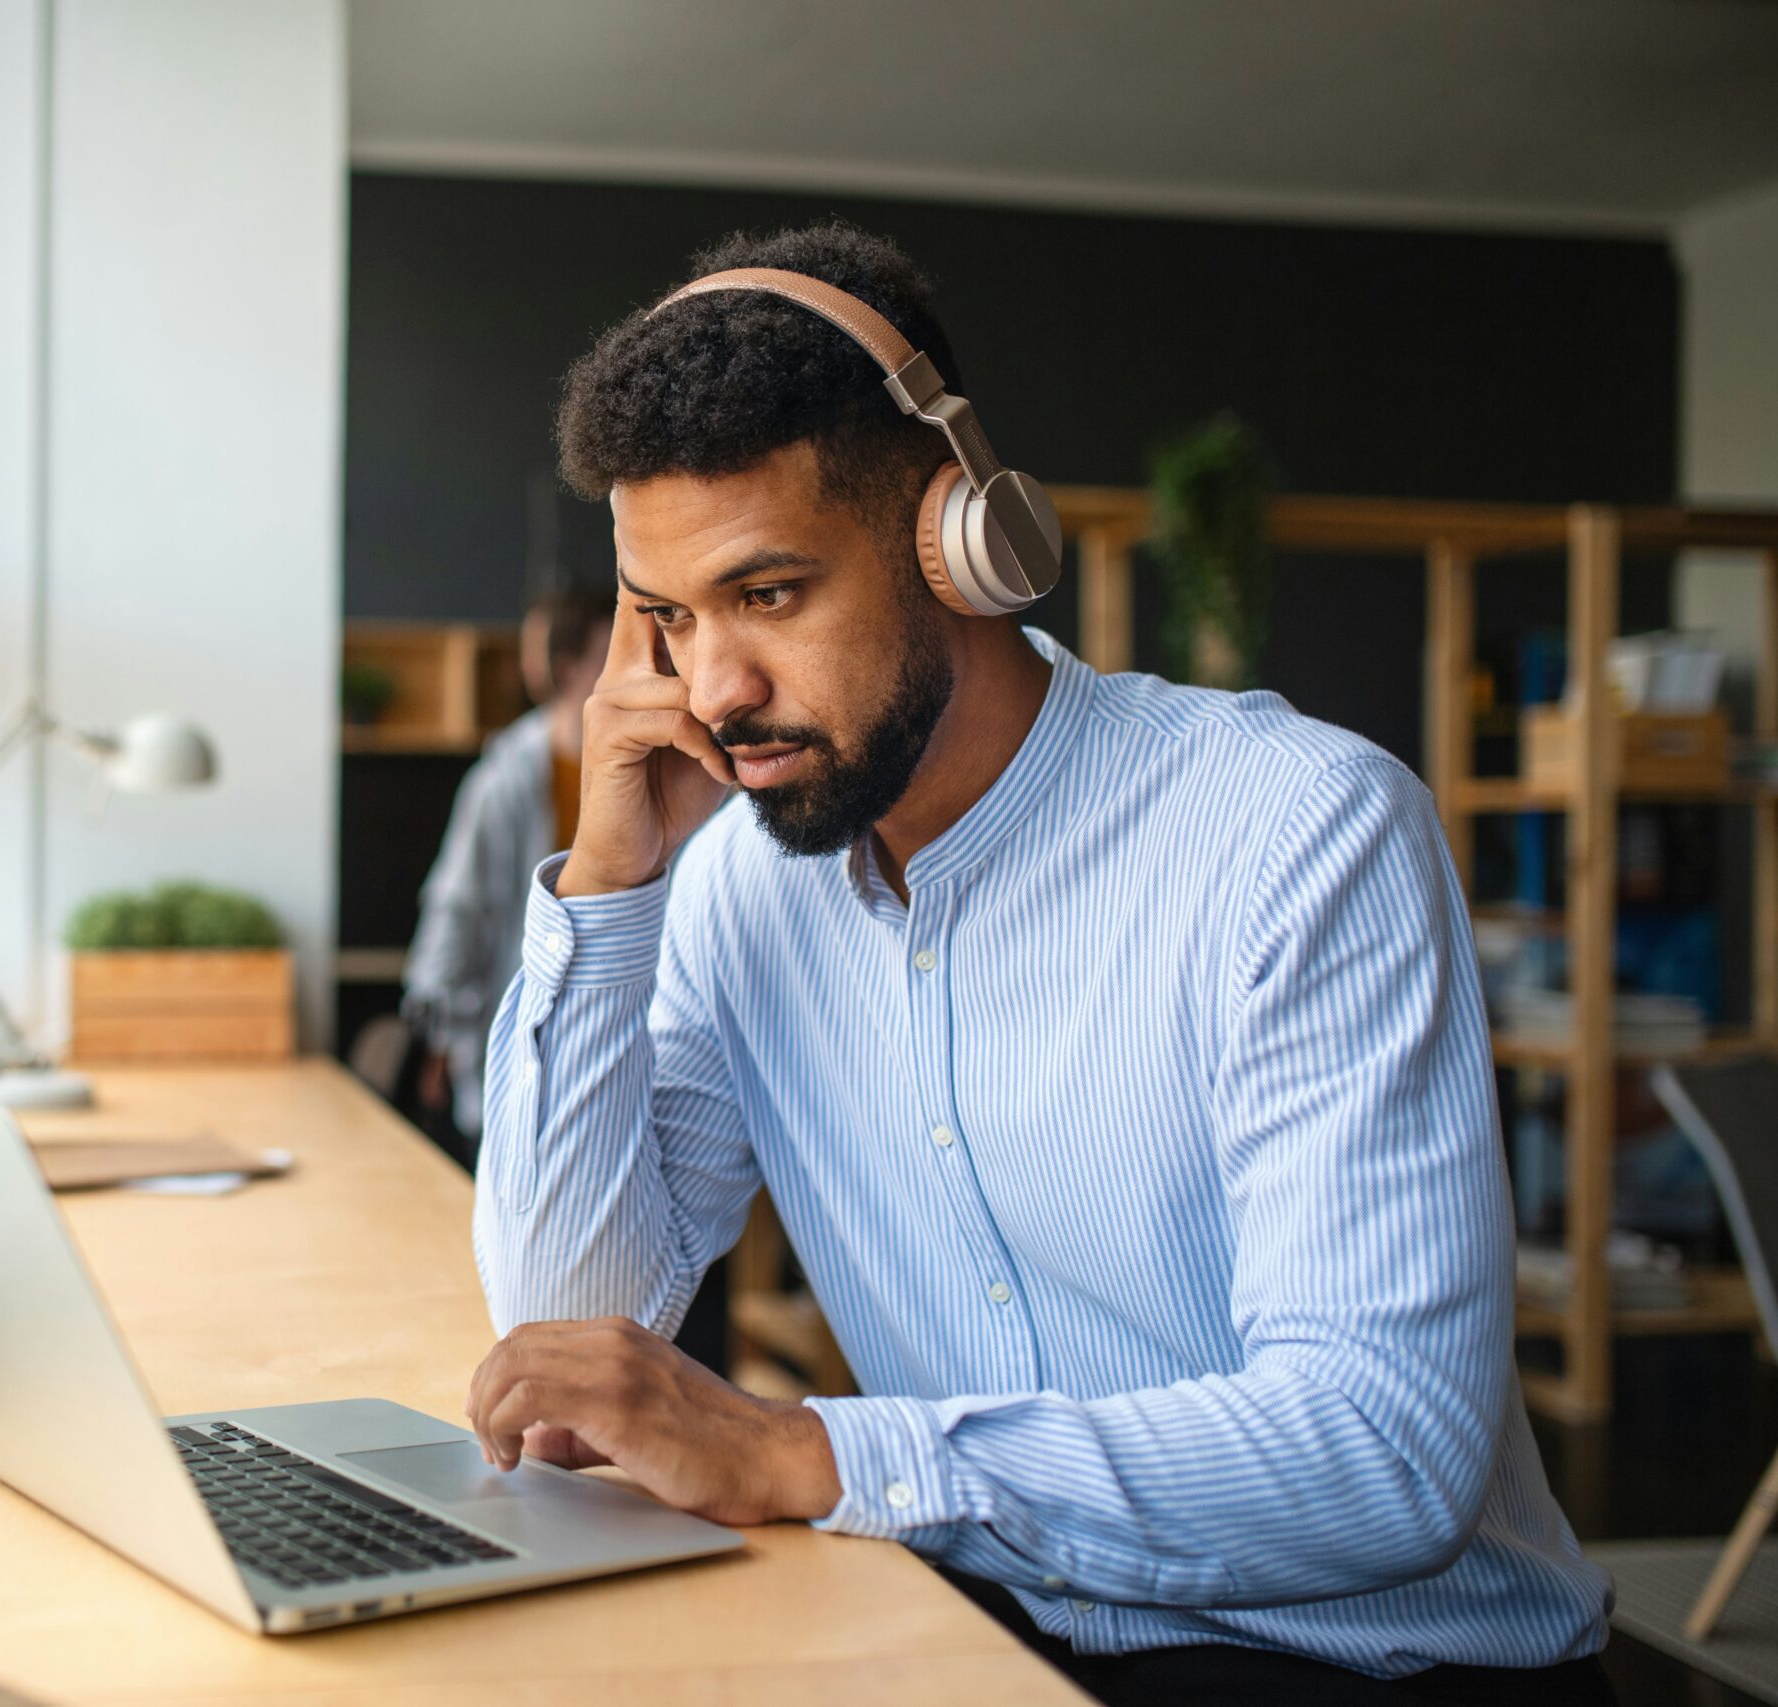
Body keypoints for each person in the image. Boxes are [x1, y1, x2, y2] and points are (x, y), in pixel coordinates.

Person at [460, 223, 1614, 1705]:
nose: (718, 690)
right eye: (670, 620)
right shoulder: (736, 884)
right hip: (996, 1639)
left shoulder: (1297, 831)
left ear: (959, 541)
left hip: (1377, 1671)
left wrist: (804, 1452)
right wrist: (610, 880)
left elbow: (1385, 1451)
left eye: (770, 594)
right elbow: (565, 1321)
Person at [403, 586, 617, 1158]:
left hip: (614, 1030)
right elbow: (459, 904)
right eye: (612, 655)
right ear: (569, 670)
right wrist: (443, 1036)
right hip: (523, 1035)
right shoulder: (507, 779)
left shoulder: (662, 770)